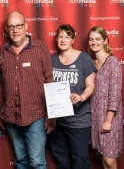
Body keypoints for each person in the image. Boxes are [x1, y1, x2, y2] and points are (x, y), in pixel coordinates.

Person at [0, 10, 55, 169]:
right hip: (11, 115)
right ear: (7, 29)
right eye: (11, 27)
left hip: (35, 115)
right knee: (21, 161)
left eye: (18, 26)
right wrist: (0, 110)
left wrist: (52, 115)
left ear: (26, 26)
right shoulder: (2, 50)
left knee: (37, 163)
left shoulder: (39, 47)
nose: (15, 30)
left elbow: (50, 80)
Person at [48, 24, 96, 169]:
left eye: (67, 37)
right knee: (61, 160)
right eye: (60, 36)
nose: (63, 40)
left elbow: (91, 86)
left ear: (73, 39)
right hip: (58, 122)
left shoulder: (84, 58)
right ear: (56, 39)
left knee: (80, 160)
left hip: (78, 121)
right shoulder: (52, 60)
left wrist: (81, 97)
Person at [88, 26, 123, 169]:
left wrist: (108, 120)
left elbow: (115, 94)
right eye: (91, 39)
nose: (94, 42)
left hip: (110, 118)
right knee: (104, 157)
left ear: (105, 41)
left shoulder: (112, 62)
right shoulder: (91, 62)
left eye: (97, 39)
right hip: (95, 117)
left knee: (109, 159)